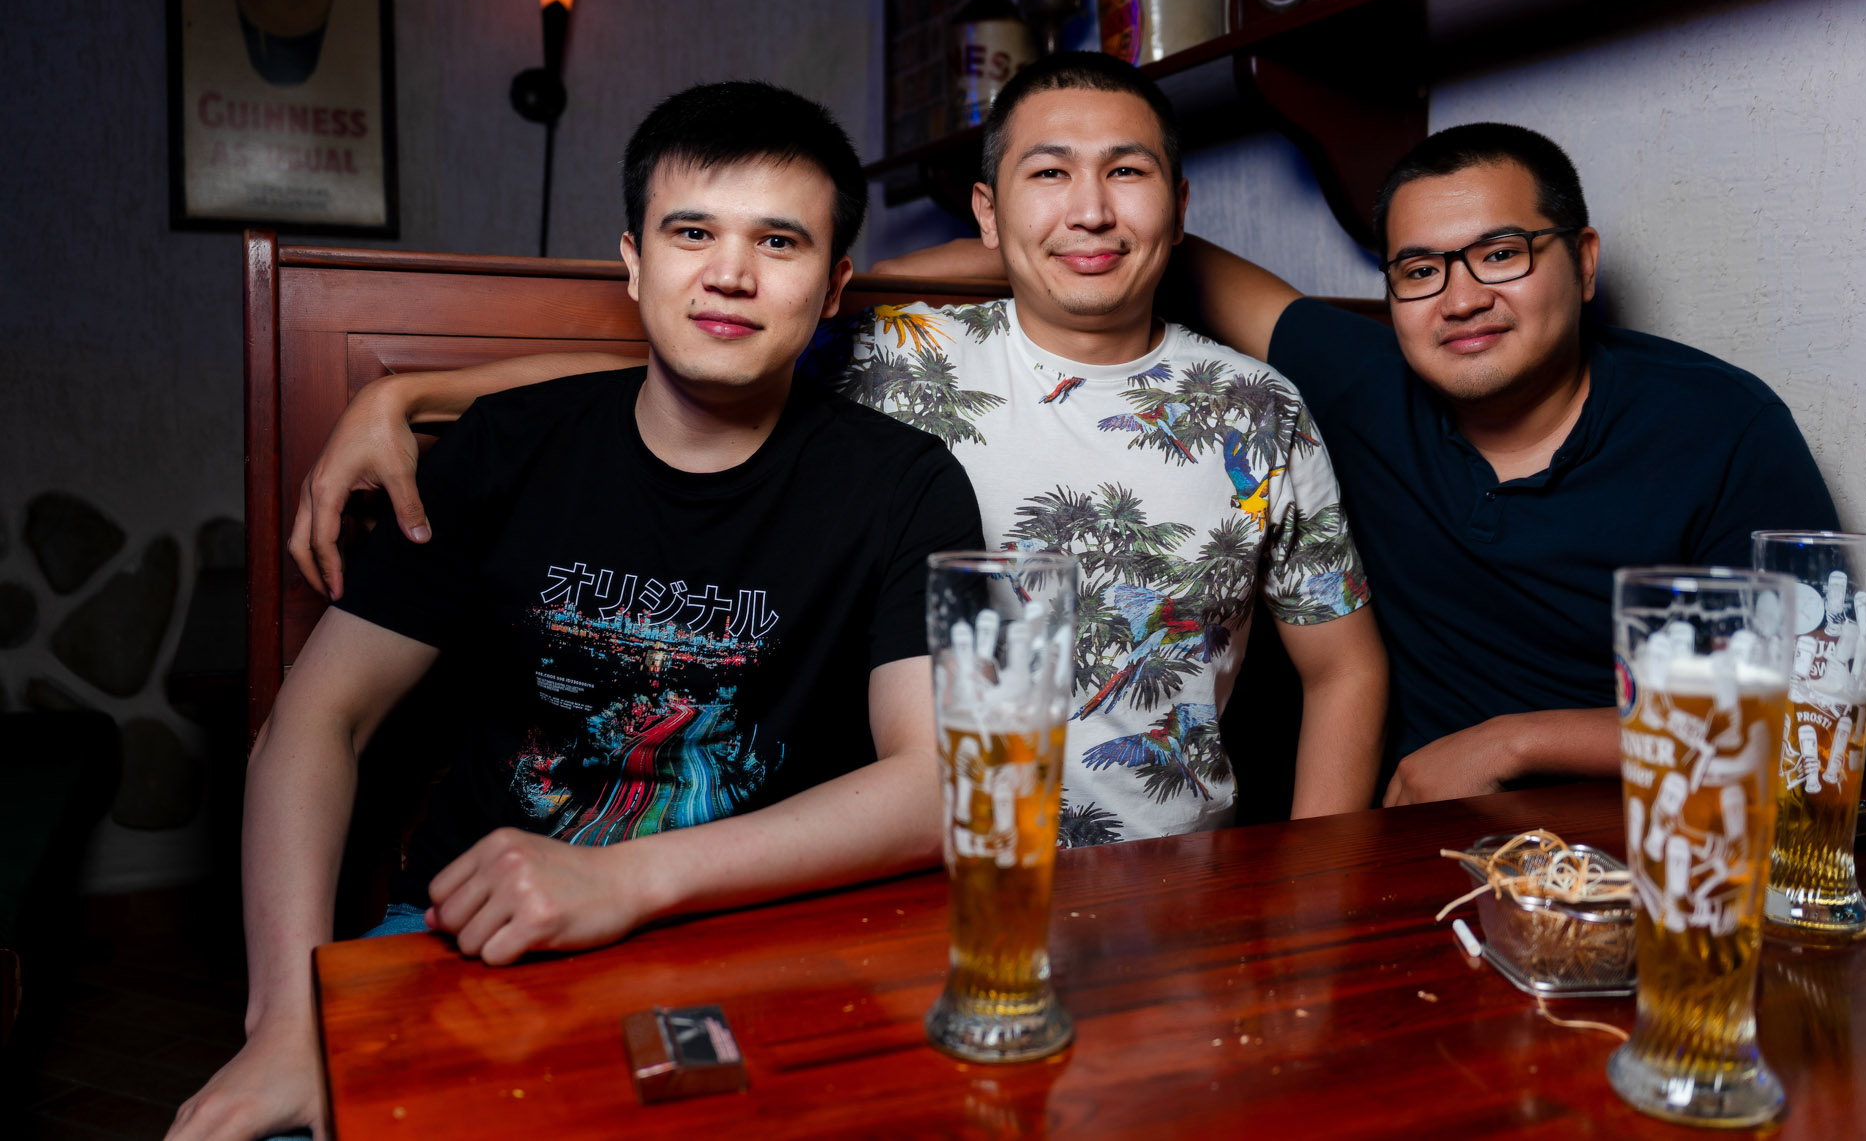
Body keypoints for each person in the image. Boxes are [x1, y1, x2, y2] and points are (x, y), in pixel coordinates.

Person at [287, 53, 1389, 849]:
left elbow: (1341, 668)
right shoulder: (899, 355)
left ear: (1178, 205)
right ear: (989, 210)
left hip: (1175, 874)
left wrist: (1312, 891)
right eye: (1049, 173)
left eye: (1127, 173)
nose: (1090, 210)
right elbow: (684, 363)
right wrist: (411, 392)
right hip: (919, 868)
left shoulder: (1260, 409)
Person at [168, 82, 984, 1141]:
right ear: (634, 261)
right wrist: (286, 1018)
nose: (730, 273)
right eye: (691, 232)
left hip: (766, 939)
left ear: (832, 289)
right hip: (474, 934)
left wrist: (622, 880)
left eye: (778, 241)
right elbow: (317, 719)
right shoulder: (506, 449)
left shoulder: (904, 484)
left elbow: (934, 789)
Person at [880, 123, 1839, 805]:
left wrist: (1515, 743)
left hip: (1669, 835)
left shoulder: (1719, 425)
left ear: (1584, 263)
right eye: (1420, 270)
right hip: (1425, 853)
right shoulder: (1365, 381)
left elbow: (1810, 717)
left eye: (1502, 254)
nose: (1461, 297)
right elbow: (1151, 251)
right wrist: (887, 274)